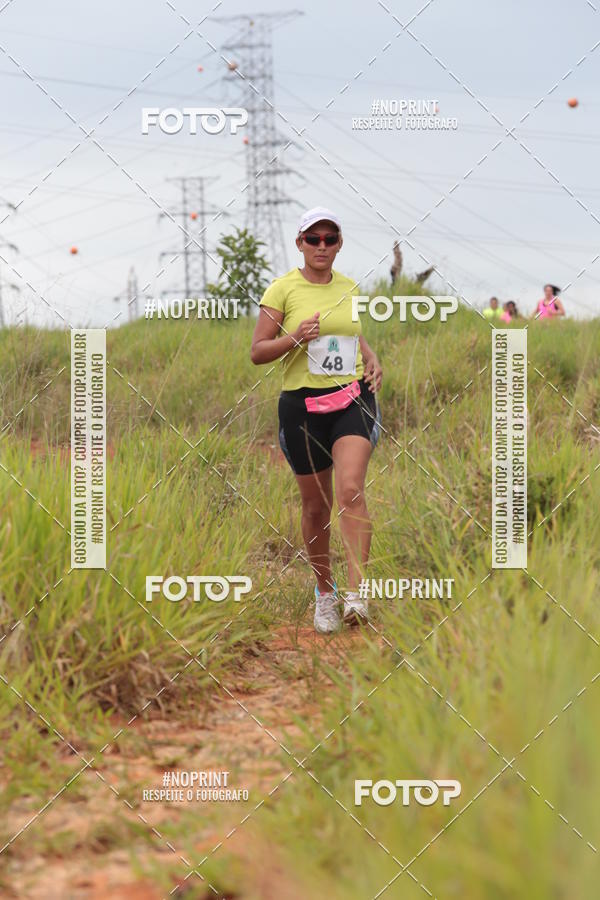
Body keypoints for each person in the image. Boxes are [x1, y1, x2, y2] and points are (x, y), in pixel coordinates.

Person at [250, 207, 383, 634]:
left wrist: (372, 356)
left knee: (350, 489)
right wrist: (295, 338)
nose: (322, 246)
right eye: (313, 239)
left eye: (330, 239)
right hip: (302, 406)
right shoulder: (282, 289)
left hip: (351, 399)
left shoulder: (349, 287)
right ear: (300, 243)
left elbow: (349, 332)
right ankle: (324, 593)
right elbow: (258, 351)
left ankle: (356, 594)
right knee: (316, 504)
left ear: (340, 244)